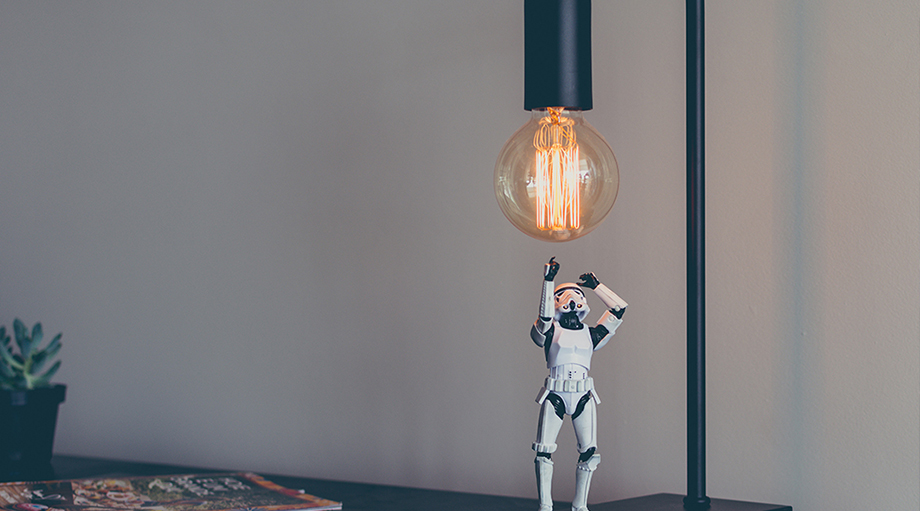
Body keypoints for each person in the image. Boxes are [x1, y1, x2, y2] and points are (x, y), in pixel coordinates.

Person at [530, 257, 627, 511]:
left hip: (584, 394)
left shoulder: (590, 334)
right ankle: (545, 506)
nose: (572, 299)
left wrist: (597, 286)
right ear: (556, 301)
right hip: (555, 394)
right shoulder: (550, 330)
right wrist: (548, 282)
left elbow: (619, 310)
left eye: (576, 294)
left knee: (589, 452)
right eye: (565, 295)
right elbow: (541, 325)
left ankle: (580, 506)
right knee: (543, 451)